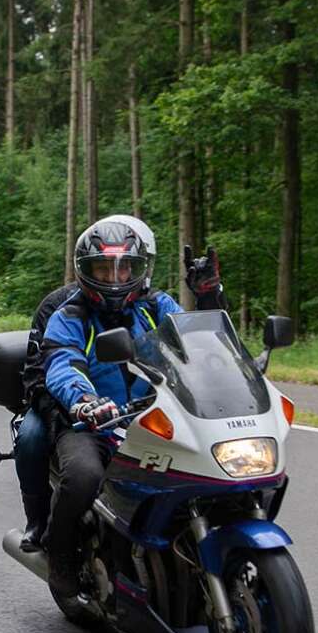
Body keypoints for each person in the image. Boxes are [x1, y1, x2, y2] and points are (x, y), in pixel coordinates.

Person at [39, 216, 225, 596]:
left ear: (142, 270)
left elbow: (205, 347)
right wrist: (86, 401)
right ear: (85, 271)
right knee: (84, 476)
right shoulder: (69, 317)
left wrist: (209, 296)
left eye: (126, 267)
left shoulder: (156, 306)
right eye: (104, 268)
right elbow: (63, 365)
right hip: (93, 425)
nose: (115, 277)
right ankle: (60, 554)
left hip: (156, 419)